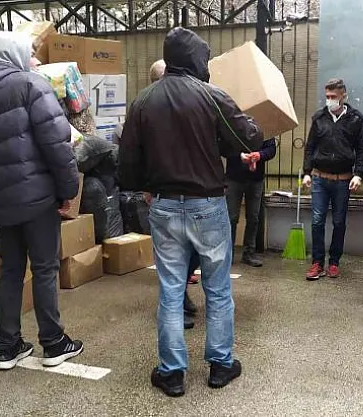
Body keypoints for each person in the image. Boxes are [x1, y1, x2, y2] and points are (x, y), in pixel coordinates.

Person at [119, 27, 263, 397]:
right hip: (208, 205)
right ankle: (220, 365)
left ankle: (172, 373)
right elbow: (250, 136)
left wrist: (147, 188)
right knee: (217, 288)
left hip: (164, 205)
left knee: (171, 289)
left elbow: (128, 162)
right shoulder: (211, 96)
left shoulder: (143, 101)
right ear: (196, 59)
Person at [0, 32, 83, 371]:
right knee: (44, 268)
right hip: (36, 197)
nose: (33, 59)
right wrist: (68, 190)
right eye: (28, 52)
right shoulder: (30, 85)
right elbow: (57, 145)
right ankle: (53, 343)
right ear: (15, 54)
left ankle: (8, 346)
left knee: (11, 270)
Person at [148, 58, 198, 330]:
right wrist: (146, 188)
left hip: (190, 192)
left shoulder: (184, 106)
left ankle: (181, 295)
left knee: (194, 251)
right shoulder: (150, 108)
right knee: (172, 256)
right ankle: (174, 307)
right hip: (164, 193)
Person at [302, 78, 363, 280]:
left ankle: (334, 263)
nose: (329, 100)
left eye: (333, 96)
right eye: (327, 96)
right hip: (319, 178)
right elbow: (310, 147)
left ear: (343, 96)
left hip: (343, 180)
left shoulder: (355, 120)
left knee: (339, 222)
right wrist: (307, 172)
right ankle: (317, 263)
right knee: (317, 221)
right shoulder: (319, 118)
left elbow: (362, 150)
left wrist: (358, 174)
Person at [226, 138, 277, 267]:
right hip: (234, 177)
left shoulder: (265, 128)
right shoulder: (234, 127)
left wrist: (260, 155)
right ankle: (228, 254)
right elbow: (224, 146)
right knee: (231, 217)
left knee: (253, 217)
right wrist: (239, 156)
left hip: (256, 179)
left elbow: (271, 149)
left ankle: (249, 253)